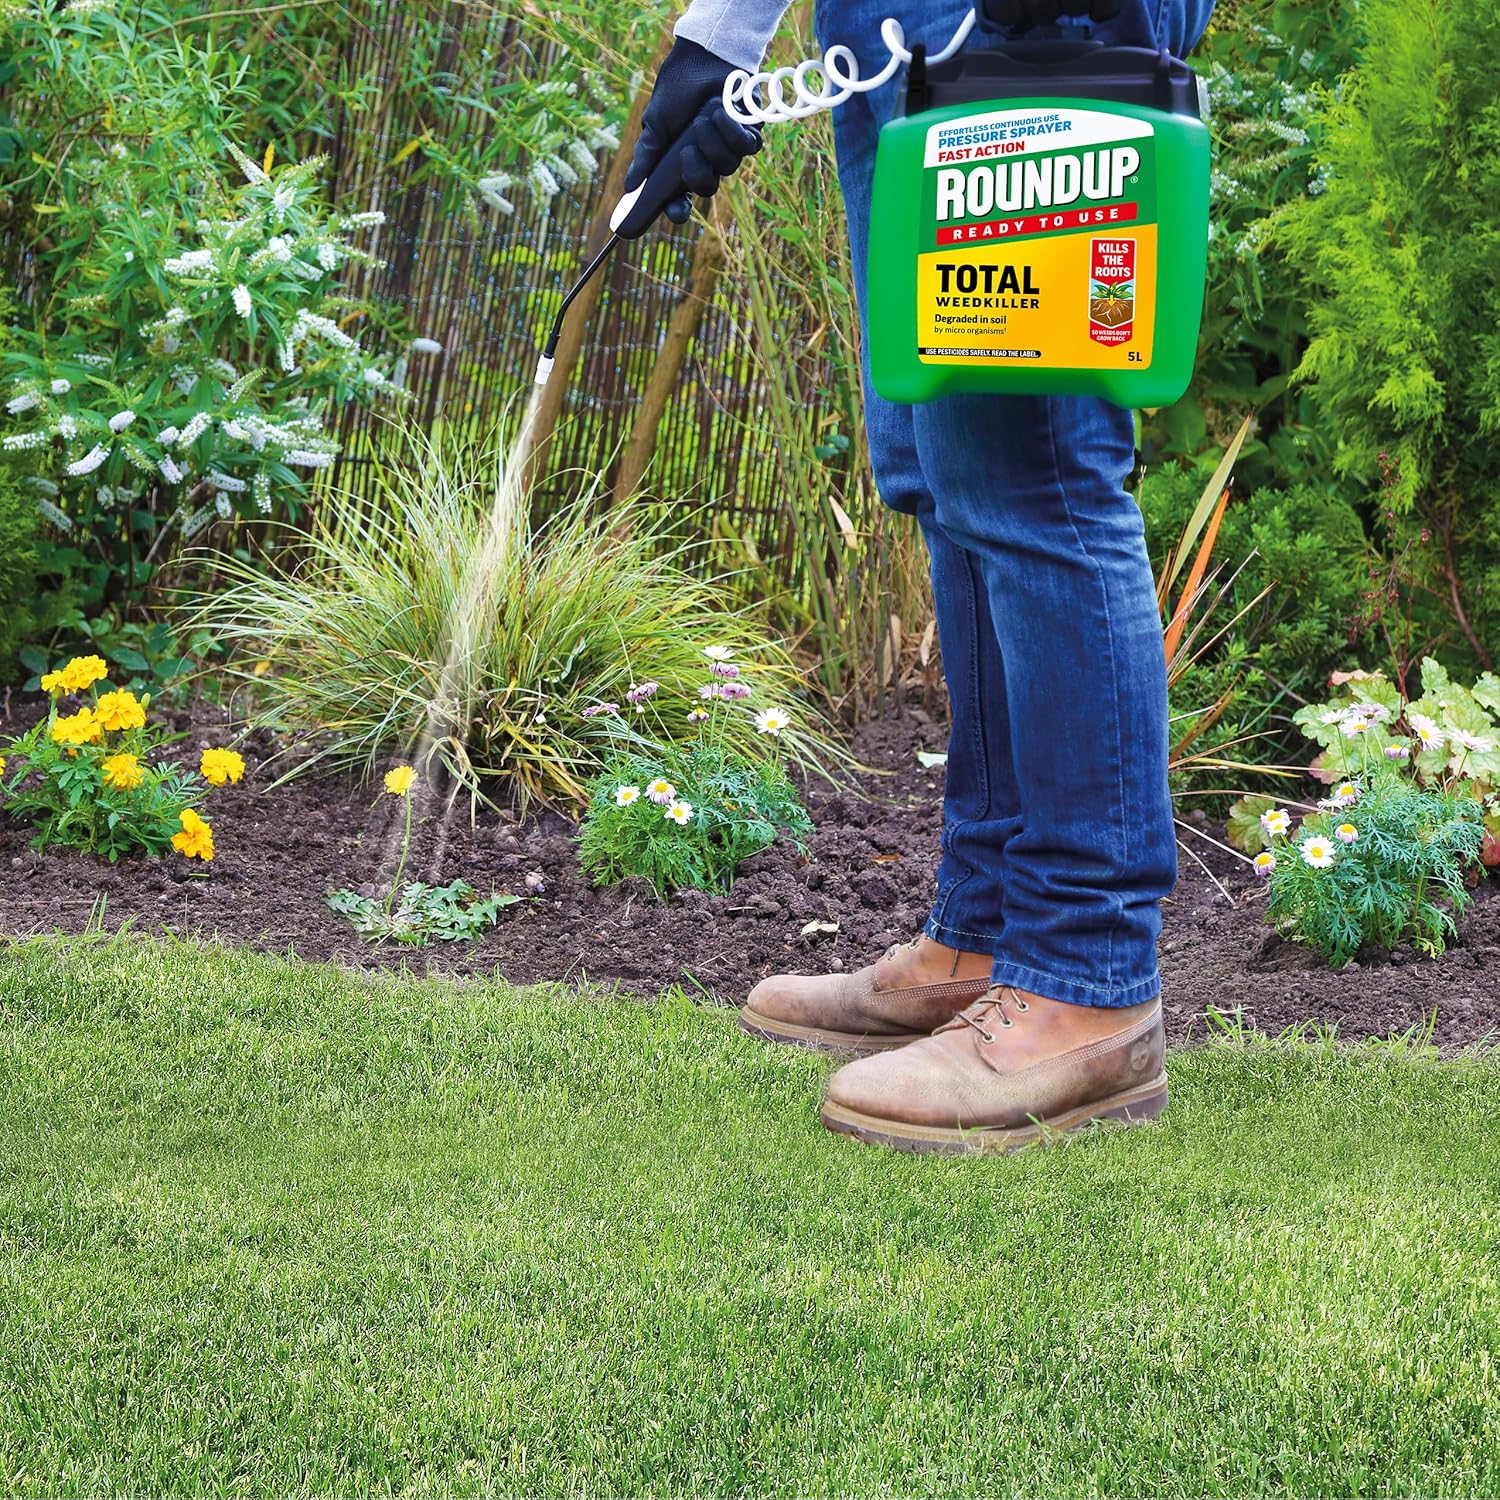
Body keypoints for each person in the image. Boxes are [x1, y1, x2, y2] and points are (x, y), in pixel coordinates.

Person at [624, 0, 1214, 1154]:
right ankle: (989, 936)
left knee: (1032, 466)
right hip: (893, 29)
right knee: (943, 466)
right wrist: (723, 38)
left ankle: (1087, 977)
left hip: (1044, 20)